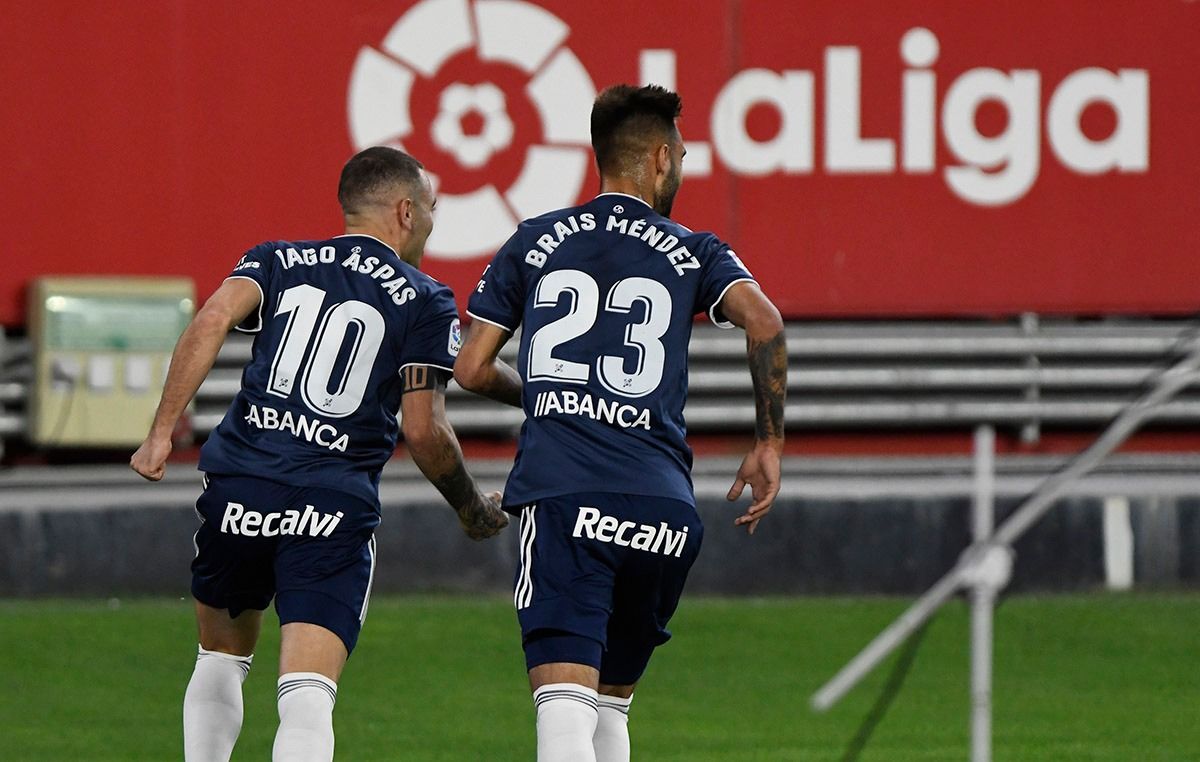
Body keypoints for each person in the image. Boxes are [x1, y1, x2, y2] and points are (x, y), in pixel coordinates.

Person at [130, 146, 508, 762]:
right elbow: (424, 429)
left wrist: (160, 432)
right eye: (432, 209)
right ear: (405, 212)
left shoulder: (277, 259)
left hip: (240, 484)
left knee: (219, 657)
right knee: (307, 693)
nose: (432, 223)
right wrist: (470, 507)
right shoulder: (425, 299)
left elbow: (212, 318)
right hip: (330, 501)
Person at [454, 84, 788, 762]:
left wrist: (547, 394)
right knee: (610, 704)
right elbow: (765, 321)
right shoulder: (695, 249)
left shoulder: (536, 239)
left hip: (564, 497)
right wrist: (768, 441)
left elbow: (470, 368)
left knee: (564, 709)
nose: (682, 168)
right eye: (682, 156)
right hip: (661, 511)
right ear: (660, 159)